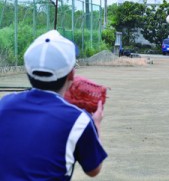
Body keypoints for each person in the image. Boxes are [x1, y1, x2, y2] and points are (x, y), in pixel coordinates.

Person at [0, 30, 107, 180]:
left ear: (28, 71)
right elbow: (93, 169)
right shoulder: (79, 120)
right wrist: (96, 123)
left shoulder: (4, 104)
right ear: (71, 74)